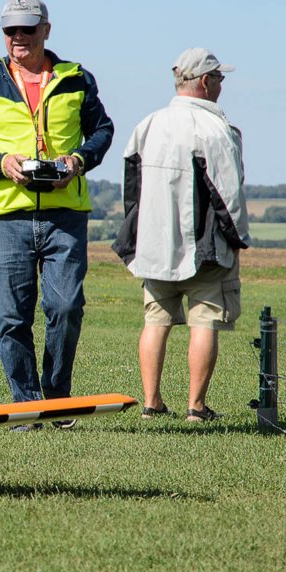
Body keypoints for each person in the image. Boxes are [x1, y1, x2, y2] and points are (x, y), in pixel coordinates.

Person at [0, 0, 114, 431]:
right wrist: (0, 162)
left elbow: (102, 131)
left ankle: (57, 400)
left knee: (65, 308)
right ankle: (26, 406)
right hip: (7, 216)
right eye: (10, 30)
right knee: (12, 318)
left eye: (27, 28)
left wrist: (77, 161)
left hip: (66, 215)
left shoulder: (77, 79)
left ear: (46, 29)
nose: (18, 37)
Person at [112, 48, 249, 422]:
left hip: (154, 245)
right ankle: (196, 406)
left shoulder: (148, 123)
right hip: (203, 247)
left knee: (155, 321)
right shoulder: (214, 128)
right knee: (204, 321)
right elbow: (228, 192)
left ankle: (151, 402)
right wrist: (237, 239)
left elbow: (132, 187)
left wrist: (137, 234)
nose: (221, 85)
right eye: (219, 79)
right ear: (205, 82)